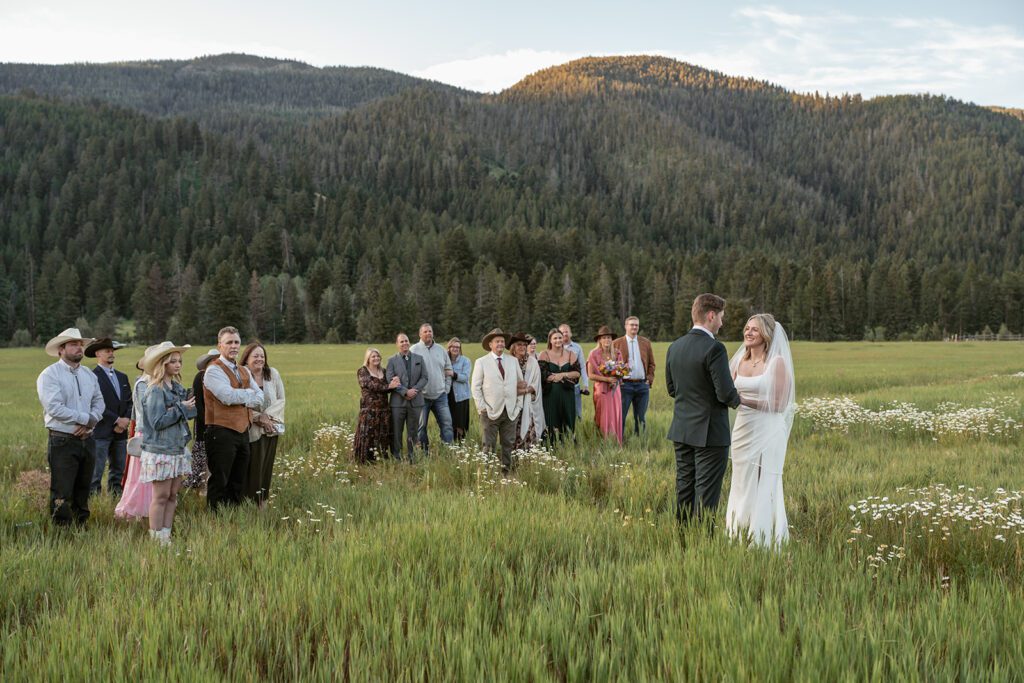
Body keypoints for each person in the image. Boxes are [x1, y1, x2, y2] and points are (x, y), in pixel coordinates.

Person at [665, 293, 741, 529]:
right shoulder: (714, 348)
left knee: (684, 487)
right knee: (706, 493)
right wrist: (741, 400)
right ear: (711, 315)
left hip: (682, 430)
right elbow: (725, 394)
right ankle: (703, 540)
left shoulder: (675, 346)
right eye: (721, 317)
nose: (722, 322)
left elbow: (671, 389)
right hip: (710, 433)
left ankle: (682, 537)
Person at [725, 314, 795, 548]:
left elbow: (779, 404)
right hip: (743, 429)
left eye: (754, 329)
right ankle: (738, 532)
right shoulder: (738, 362)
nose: (748, 332)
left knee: (765, 481)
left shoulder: (776, 363)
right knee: (742, 481)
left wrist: (742, 400)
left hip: (768, 430)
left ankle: (763, 538)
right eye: (747, 328)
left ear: (766, 334)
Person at [36, 328, 105, 526]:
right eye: (73, 344)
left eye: (80, 344)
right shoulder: (50, 375)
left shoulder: (88, 375)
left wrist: (91, 420)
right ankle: (62, 531)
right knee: (62, 490)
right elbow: (54, 408)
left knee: (83, 488)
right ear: (61, 349)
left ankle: (81, 527)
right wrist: (86, 419)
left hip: (87, 439)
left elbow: (99, 402)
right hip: (62, 440)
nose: (79, 348)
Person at [139, 342, 196, 545]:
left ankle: (166, 536)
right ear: (162, 364)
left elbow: (187, 414)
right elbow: (157, 422)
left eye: (179, 361)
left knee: (172, 495)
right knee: (161, 496)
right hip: (160, 449)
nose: (178, 364)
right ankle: (156, 540)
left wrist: (189, 406)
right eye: (173, 361)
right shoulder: (156, 390)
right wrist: (181, 408)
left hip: (177, 448)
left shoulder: (177, 388)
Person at [203, 326, 264, 510]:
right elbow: (227, 397)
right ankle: (215, 518)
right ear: (220, 345)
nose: (234, 346)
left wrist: (241, 396)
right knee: (220, 480)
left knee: (238, 480)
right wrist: (249, 394)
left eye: (236, 342)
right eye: (229, 342)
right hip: (220, 431)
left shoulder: (244, 370)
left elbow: (260, 398)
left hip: (242, 431)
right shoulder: (213, 370)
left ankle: (232, 517)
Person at [471, 328, 529, 473]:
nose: (500, 344)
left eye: (502, 341)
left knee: (508, 444)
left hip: (510, 411)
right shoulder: (481, 362)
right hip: (489, 411)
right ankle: (488, 473)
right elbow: (475, 387)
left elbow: (520, 385)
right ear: (490, 344)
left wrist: (518, 406)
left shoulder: (513, 361)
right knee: (488, 444)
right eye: (497, 341)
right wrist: (482, 407)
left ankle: (506, 472)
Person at [241, 342, 286, 507]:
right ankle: (247, 504)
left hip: (270, 429)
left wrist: (268, 418)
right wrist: (258, 417)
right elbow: (239, 403)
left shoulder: (272, 374)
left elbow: (281, 399)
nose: (259, 359)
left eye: (262, 356)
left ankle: (262, 504)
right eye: (255, 356)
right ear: (246, 358)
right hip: (250, 430)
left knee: (266, 468)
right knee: (251, 469)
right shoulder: (241, 375)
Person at [85, 337, 132, 496]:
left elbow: (130, 402)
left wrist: (125, 420)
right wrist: (116, 420)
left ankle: (116, 500)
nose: (111, 353)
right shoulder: (92, 376)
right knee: (96, 472)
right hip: (101, 431)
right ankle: (94, 502)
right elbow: (94, 403)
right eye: (107, 351)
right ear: (98, 353)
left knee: (118, 470)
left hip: (121, 432)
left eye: (112, 351)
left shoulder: (122, 377)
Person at [115, 347, 157, 521]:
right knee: (140, 477)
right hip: (146, 435)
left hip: (159, 435)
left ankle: (153, 510)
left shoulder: (162, 383)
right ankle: (135, 510)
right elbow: (146, 412)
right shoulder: (143, 384)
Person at [410, 323, 454, 451]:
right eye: (425, 331)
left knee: (447, 425)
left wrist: (446, 388)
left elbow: (449, 369)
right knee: (421, 427)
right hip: (421, 397)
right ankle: (425, 453)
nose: (428, 333)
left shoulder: (441, 350)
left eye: (430, 331)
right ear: (420, 334)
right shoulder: (413, 350)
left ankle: (448, 452)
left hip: (440, 396)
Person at [385, 333, 428, 461]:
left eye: (406, 341)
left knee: (413, 431)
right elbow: (390, 379)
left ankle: (412, 457)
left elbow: (424, 377)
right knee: (397, 431)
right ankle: (396, 457)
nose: (405, 343)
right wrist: (405, 392)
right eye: (402, 341)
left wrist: (414, 390)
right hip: (398, 403)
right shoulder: (391, 361)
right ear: (397, 344)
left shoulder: (419, 359)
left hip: (416, 401)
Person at [354, 348, 400, 463]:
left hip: (383, 409)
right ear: (368, 358)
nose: (376, 358)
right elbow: (371, 385)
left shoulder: (383, 371)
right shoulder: (362, 371)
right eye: (373, 356)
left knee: (382, 435)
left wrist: (395, 381)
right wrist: (389, 386)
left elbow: (389, 388)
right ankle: (365, 461)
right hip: (369, 409)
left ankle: (380, 459)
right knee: (368, 435)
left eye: (378, 356)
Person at [613, 316, 655, 438]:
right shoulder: (617, 343)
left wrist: (649, 379)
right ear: (626, 326)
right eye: (632, 324)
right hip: (624, 385)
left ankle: (640, 442)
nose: (634, 327)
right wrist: (618, 380)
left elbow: (651, 364)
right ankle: (619, 442)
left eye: (636, 325)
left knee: (641, 418)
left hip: (642, 385)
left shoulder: (645, 342)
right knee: (621, 416)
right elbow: (612, 364)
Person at [183, 350, 218, 493]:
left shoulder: (223, 377)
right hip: (205, 425)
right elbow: (198, 404)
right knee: (202, 455)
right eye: (213, 360)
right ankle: (199, 486)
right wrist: (208, 423)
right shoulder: (201, 377)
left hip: (220, 424)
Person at [538, 328, 581, 442]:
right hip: (550, 395)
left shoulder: (571, 354)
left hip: (567, 394)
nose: (558, 340)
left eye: (560, 338)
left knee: (568, 419)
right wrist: (553, 377)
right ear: (550, 340)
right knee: (551, 419)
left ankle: (568, 444)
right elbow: (542, 374)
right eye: (555, 338)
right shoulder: (544, 354)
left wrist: (562, 375)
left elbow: (577, 373)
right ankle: (550, 445)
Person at [588, 325, 624, 444]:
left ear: (612, 339)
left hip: (615, 390)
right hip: (601, 390)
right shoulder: (593, 354)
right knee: (603, 416)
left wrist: (618, 376)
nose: (606, 340)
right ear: (599, 340)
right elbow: (591, 375)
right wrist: (607, 379)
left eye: (609, 337)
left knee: (615, 414)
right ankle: (602, 442)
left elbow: (622, 370)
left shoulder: (617, 353)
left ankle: (615, 442)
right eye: (604, 338)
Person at [510, 332, 543, 450]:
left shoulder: (532, 362)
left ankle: (529, 457)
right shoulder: (508, 361)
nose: (523, 347)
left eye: (525, 344)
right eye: (519, 344)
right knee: (512, 432)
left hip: (529, 404)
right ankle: (513, 456)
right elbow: (503, 383)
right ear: (513, 346)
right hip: (512, 404)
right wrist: (514, 389)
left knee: (529, 432)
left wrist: (523, 391)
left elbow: (536, 384)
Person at [558, 323, 589, 419]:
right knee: (561, 412)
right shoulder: (556, 347)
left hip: (574, 385)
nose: (565, 334)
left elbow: (582, 367)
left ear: (570, 333)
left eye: (566, 332)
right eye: (562, 332)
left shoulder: (577, 347)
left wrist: (586, 384)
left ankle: (578, 428)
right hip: (559, 385)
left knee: (577, 412)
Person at [446, 337, 472, 443]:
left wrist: (453, 374)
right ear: (449, 347)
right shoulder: (444, 360)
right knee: (449, 421)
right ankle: (450, 442)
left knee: (460, 423)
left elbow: (465, 377)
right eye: (453, 346)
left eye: (458, 347)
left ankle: (461, 443)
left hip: (461, 396)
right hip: (447, 395)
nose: (455, 348)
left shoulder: (465, 361)